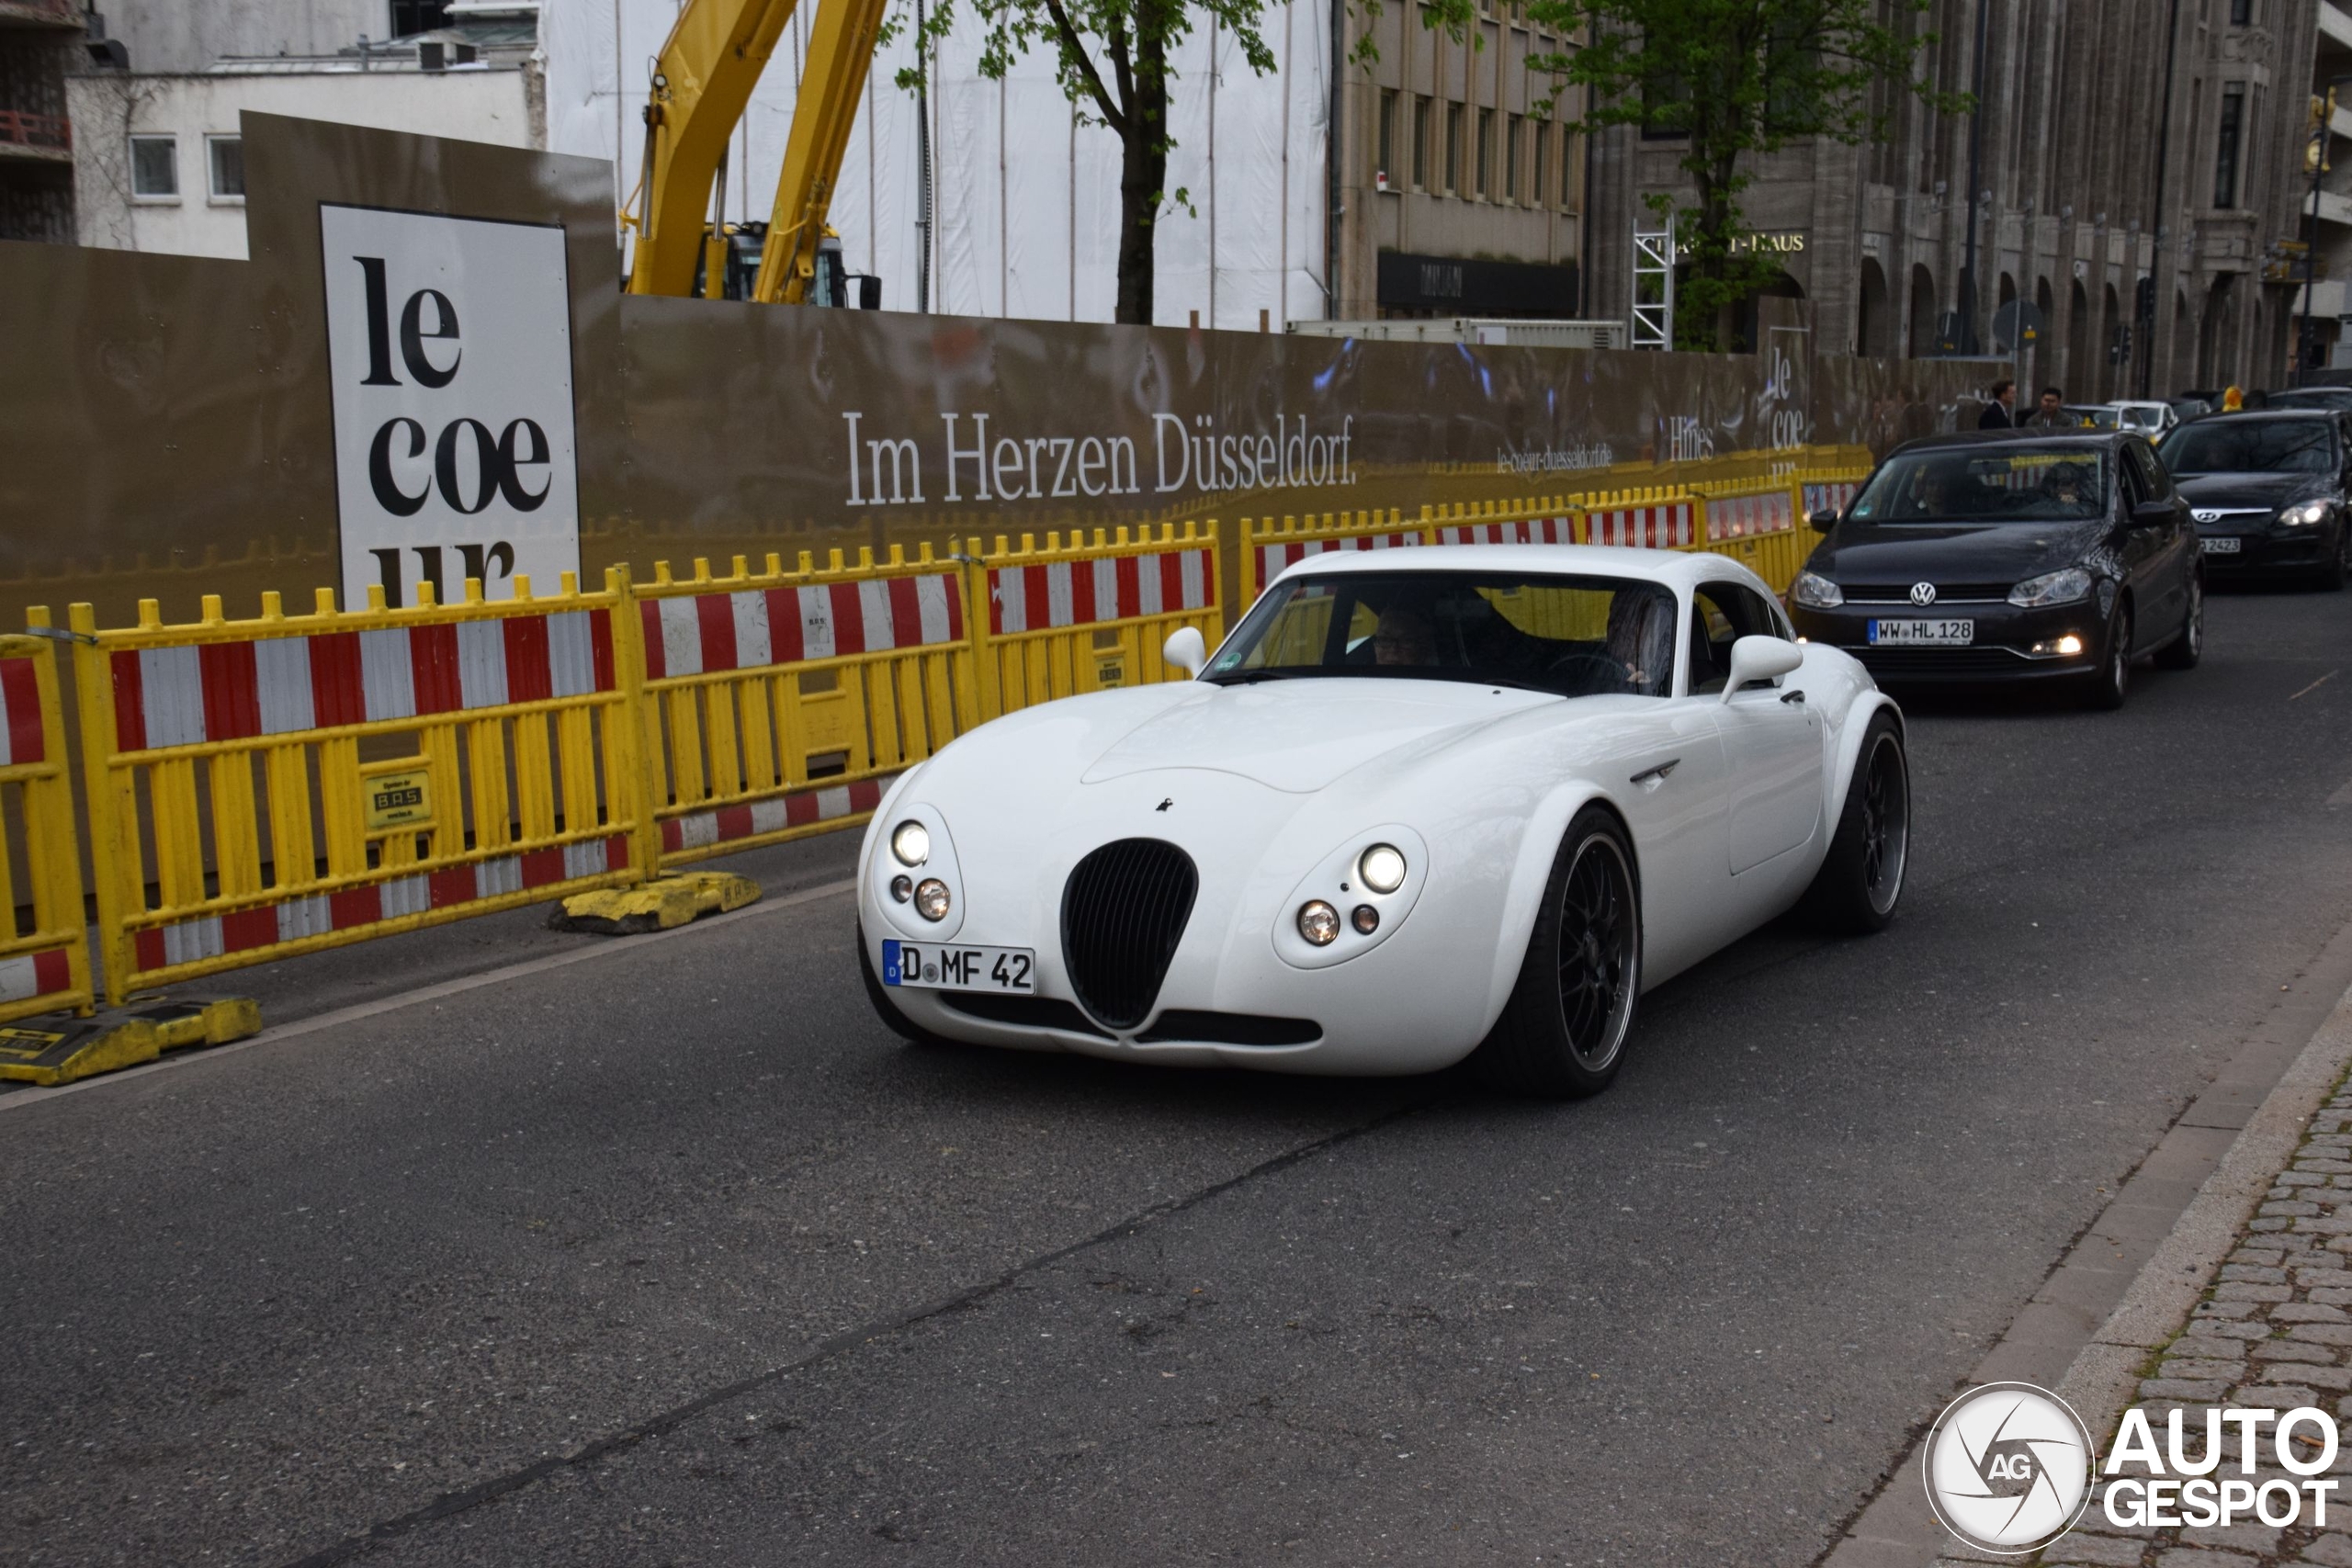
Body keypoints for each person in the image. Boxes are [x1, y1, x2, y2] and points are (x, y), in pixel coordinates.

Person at [1372, 604, 1436, 667]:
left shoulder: (1434, 676)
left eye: (1406, 641)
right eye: (1384, 639)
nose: (1393, 649)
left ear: (1424, 648)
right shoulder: (1365, 675)